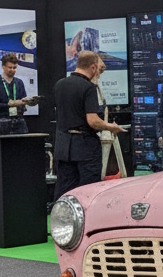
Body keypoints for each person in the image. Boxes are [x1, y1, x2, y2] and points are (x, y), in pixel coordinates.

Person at [53, 50, 124, 200]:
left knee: (64, 190)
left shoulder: (59, 84)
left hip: (63, 146)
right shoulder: (88, 88)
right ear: (93, 67)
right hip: (85, 148)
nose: (98, 72)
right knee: (88, 191)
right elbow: (92, 120)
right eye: (97, 69)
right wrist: (112, 127)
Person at [0, 53, 33, 117]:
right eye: (10, 67)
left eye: (14, 68)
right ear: (3, 67)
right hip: (1, 121)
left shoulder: (19, 82)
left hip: (19, 120)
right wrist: (9, 104)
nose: (12, 70)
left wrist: (28, 102)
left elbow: (23, 100)